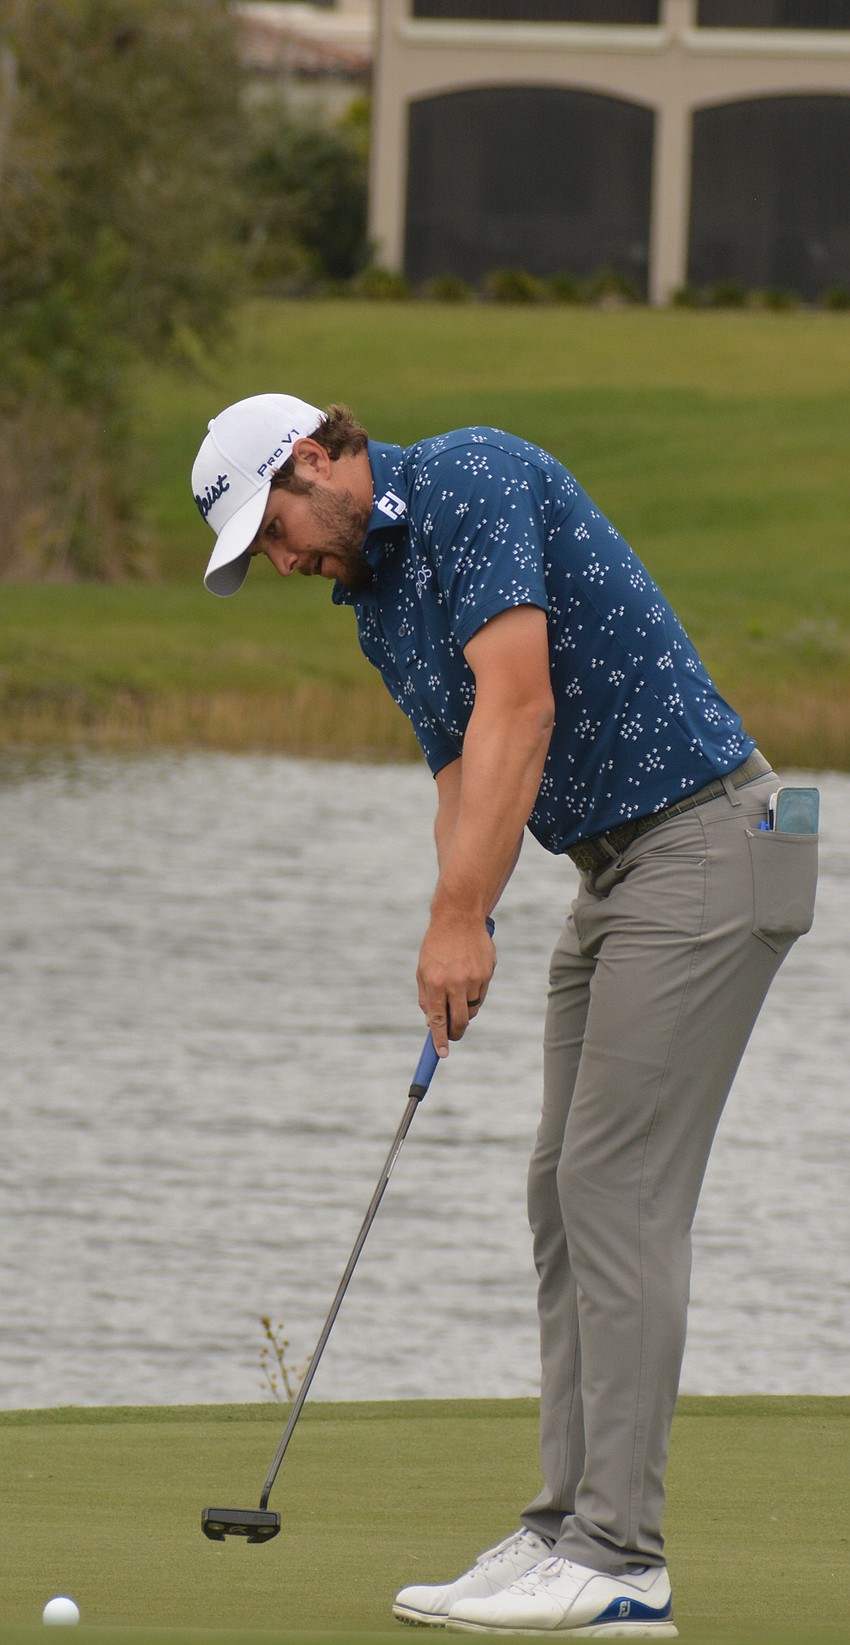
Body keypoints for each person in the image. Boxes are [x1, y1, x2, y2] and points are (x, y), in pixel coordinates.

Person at [191, 394, 818, 1638]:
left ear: (316, 459)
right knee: (559, 1190)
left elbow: (519, 707)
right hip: (616, 870)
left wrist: (462, 915)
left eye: (275, 528)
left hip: (707, 843)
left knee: (614, 1188)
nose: (283, 560)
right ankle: (560, 1527)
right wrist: (456, 919)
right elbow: (459, 773)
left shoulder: (470, 478)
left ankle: (620, 1557)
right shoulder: (375, 600)